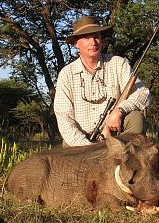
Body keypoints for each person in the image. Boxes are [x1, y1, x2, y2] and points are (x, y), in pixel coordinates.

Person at [54, 15, 150, 147]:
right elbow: (64, 118)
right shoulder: (66, 74)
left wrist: (119, 111)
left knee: (135, 118)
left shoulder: (118, 63)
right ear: (76, 43)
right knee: (68, 146)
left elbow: (143, 93)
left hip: (116, 136)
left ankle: (127, 162)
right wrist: (86, 146)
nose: (93, 42)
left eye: (96, 36)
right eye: (86, 37)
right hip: (81, 142)